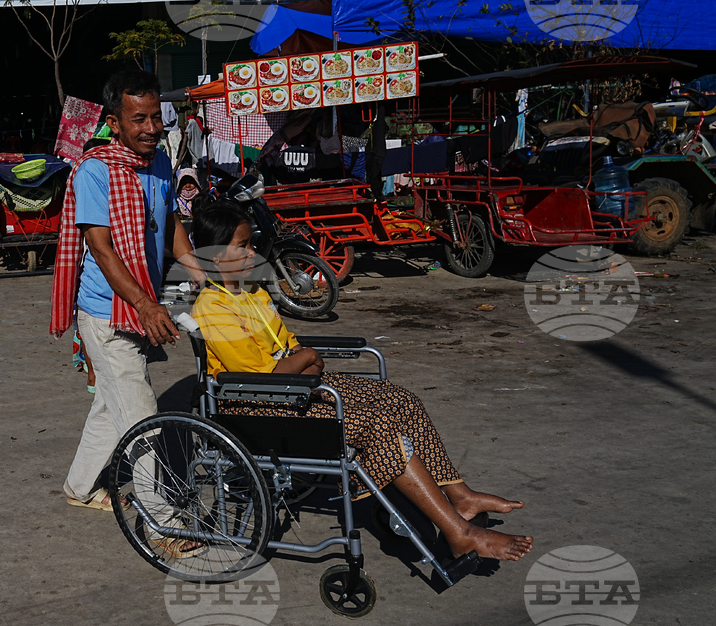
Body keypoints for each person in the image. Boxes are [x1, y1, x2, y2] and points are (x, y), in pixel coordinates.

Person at [189, 202, 534, 562]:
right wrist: (306, 359)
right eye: (242, 246)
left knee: (399, 399)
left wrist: (304, 360)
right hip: (260, 404)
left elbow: (286, 344)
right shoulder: (213, 307)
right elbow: (261, 377)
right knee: (377, 425)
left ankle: (459, 494)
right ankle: (458, 532)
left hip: (296, 386)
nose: (253, 252)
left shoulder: (253, 292)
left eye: (250, 243)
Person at [50, 71, 204, 542]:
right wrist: (146, 304)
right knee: (144, 423)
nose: (152, 127)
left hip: (137, 306)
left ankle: (78, 487)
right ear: (114, 123)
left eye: (156, 117)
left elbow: (171, 223)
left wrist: (204, 275)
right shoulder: (94, 172)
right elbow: (102, 249)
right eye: (140, 119)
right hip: (107, 316)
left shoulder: (157, 164)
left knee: (110, 407)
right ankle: (164, 527)